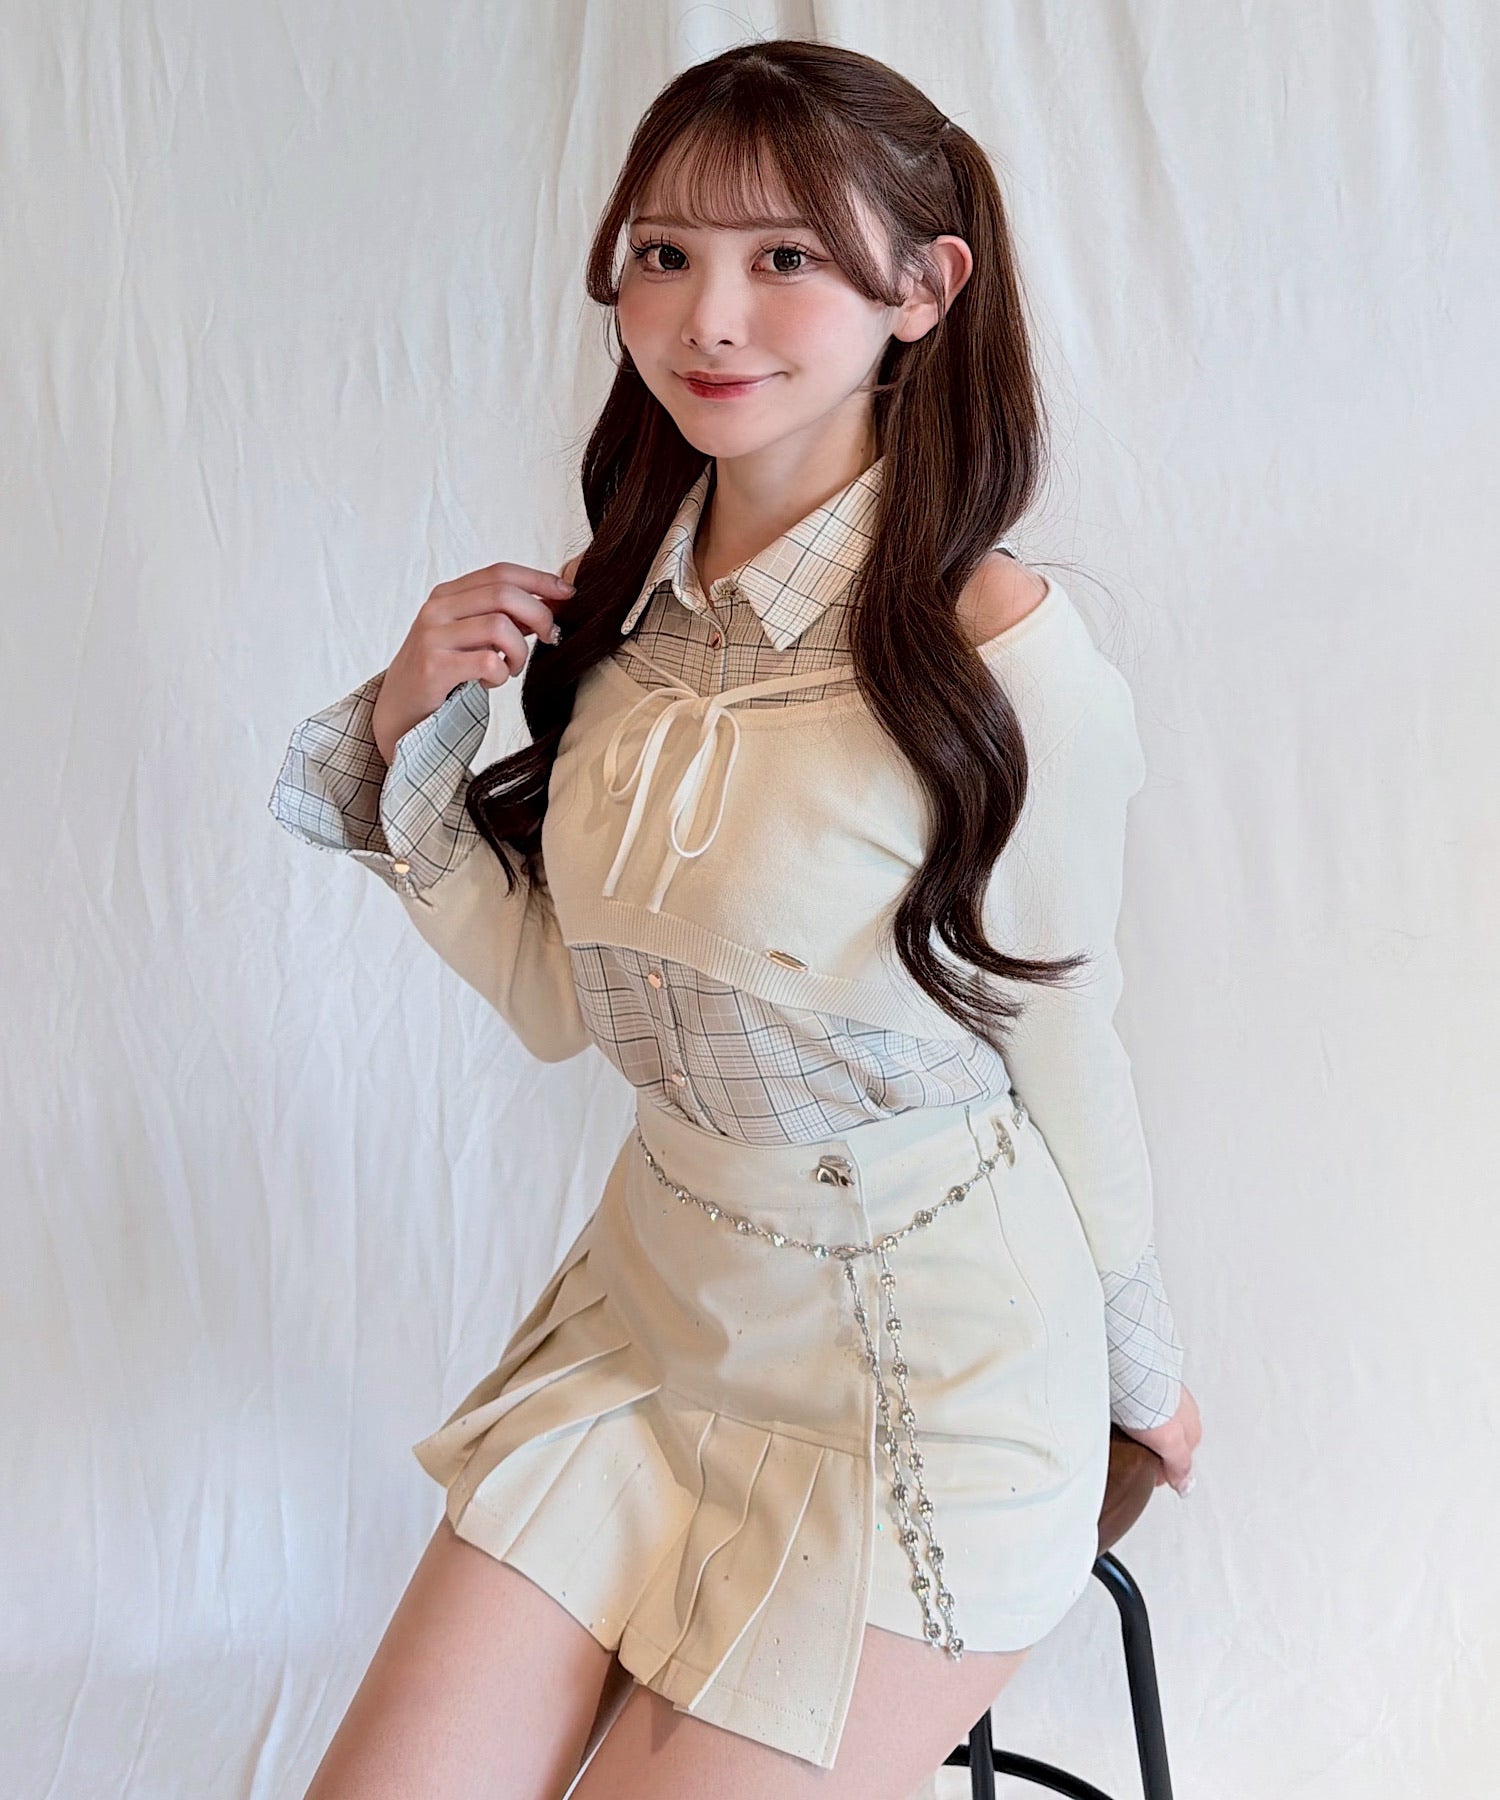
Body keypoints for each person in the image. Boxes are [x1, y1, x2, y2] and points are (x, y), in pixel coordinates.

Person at [269, 36, 1203, 1800]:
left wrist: (1143, 1364)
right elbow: (563, 1002)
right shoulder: (621, 609)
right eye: (665, 252)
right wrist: (407, 744)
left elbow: (1062, 1028)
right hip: (650, 1326)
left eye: (784, 257)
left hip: (926, 1381)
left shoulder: (1005, 662)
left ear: (922, 290)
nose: (708, 316)